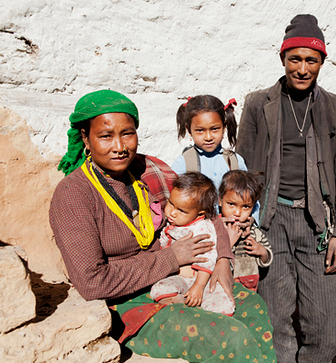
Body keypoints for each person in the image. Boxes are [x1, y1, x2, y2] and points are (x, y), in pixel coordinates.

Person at [49, 89, 276, 362]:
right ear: (85, 138)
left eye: (128, 133)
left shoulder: (150, 169)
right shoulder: (74, 194)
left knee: (253, 309)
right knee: (230, 336)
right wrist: (171, 257)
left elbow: (207, 212)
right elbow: (92, 281)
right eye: (106, 136)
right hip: (128, 300)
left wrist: (224, 261)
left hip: (183, 278)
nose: (120, 146)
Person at [237, 14, 336, 362]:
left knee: (326, 329)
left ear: (321, 62)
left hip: (316, 223)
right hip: (271, 221)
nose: (302, 68)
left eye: (311, 60)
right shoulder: (259, 104)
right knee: (274, 320)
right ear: (282, 58)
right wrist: (245, 224)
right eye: (295, 59)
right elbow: (243, 170)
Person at [150, 172, 235, 316]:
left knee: (220, 302)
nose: (172, 212)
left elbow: (207, 259)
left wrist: (198, 286)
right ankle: (182, 306)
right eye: (171, 203)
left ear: (200, 213)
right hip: (179, 279)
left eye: (181, 210)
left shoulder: (202, 229)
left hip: (202, 279)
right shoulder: (173, 224)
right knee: (159, 289)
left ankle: (211, 315)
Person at [172, 94, 259, 227]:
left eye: (214, 129)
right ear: (189, 130)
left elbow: (250, 196)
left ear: (224, 127)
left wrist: (252, 219)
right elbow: (176, 206)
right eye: (200, 130)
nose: (208, 137)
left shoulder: (235, 162)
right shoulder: (183, 164)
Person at [218, 170, 273, 292]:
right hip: (221, 291)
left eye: (246, 207)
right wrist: (228, 243)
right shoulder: (215, 229)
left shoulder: (252, 232)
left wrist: (262, 252)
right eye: (231, 204)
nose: (237, 213)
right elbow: (209, 259)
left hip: (249, 291)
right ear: (220, 200)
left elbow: (268, 256)